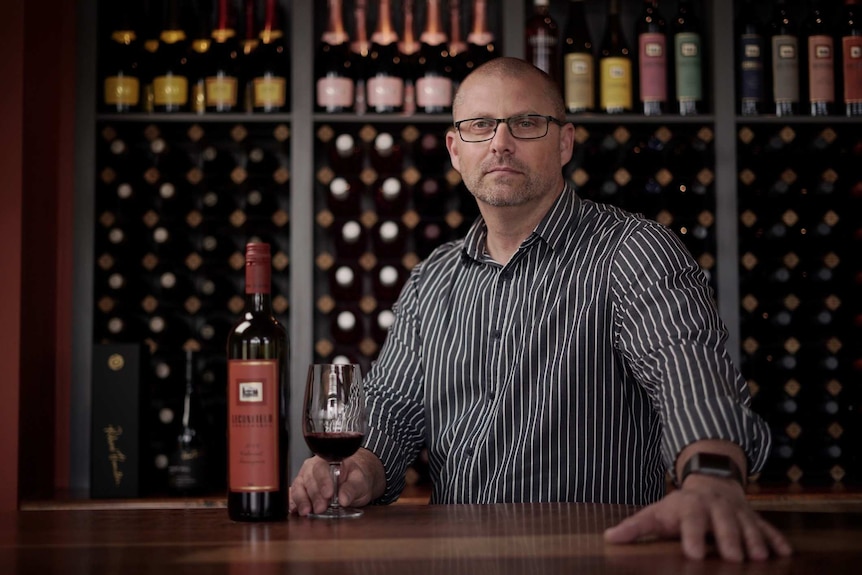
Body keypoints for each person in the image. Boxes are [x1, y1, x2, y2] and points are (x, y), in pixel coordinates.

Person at [289, 57, 793, 562]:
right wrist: (357, 468)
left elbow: (686, 368)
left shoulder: (632, 251)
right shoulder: (433, 278)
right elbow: (391, 413)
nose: (500, 142)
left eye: (526, 123)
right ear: (455, 149)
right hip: (457, 562)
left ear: (565, 142)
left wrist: (711, 476)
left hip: (593, 562)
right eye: (480, 125)